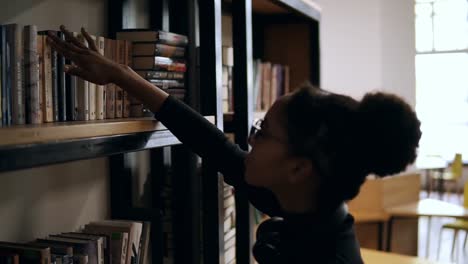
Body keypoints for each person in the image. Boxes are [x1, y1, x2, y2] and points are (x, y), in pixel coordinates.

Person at [47, 26, 422, 264]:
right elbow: (213, 145)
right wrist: (120, 74)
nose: (248, 139)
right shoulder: (307, 203)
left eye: (263, 131)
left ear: (298, 168)